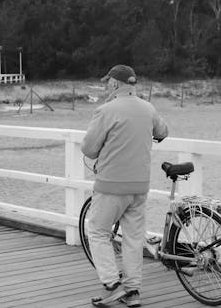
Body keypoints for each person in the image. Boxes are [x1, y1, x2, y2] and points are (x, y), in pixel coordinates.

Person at [81, 65, 168, 307]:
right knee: (133, 238)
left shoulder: (106, 110)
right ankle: (133, 291)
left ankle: (112, 284)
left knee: (98, 231)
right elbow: (163, 131)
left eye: (108, 81)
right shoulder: (147, 108)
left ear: (116, 84)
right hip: (139, 185)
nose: (106, 85)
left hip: (111, 185)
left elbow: (88, 148)